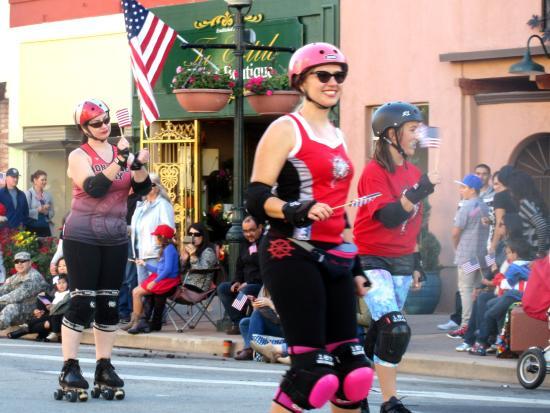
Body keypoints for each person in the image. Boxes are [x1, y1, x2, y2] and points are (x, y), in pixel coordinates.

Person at [246, 42, 374, 413]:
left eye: (339, 76)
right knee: (313, 376)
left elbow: (341, 213)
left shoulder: (338, 135)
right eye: (323, 75)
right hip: (291, 251)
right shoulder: (286, 128)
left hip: (335, 256)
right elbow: (256, 198)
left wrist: (357, 266)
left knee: (354, 375)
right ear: (301, 81)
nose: (332, 82)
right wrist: (296, 209)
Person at [57, 98, 151, 400]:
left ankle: (104, 366)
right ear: (84, 128)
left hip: (115, 236)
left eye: (106, 120)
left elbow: (142, 190)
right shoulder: (78, 155)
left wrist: (138, 166)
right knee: (83, 302)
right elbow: (94, 187)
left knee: (109, 304)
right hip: (82, 235)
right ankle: (69, 366)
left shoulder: (118, 150)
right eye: (96, 122)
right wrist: (119, 162)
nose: (103, 126)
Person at [353, 101, 439, 413]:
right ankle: (390, 403)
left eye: (420, 129)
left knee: (381, 330)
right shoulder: (373, 173)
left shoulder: (413, 172)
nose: (419, 135)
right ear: (391, 134)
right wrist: (419, 190)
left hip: (402, 259)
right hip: (372, 257)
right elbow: (389, 217)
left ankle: (354, 392)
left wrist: (416, 261)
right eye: (413, 129)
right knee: (394, 327)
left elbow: (414, 222)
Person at [447, 174, 490, 339]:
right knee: (479, 289)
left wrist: (457, 247)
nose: (460, 190)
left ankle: (465, 325)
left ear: (472, 189)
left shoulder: (466, 206)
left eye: (463, 187)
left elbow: (456, 232)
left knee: (465, 289)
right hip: (482, 255)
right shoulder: (483, 206)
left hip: (467, 254)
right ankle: (477, 325)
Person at [127, 224, 179, 334]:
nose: (154, 238)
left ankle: (137, 322)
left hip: (167, 281)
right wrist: (144, 264)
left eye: (156, 236)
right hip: (164, 278)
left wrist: (155, 281)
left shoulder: (169, 249)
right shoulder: (167, 248)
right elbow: (160, 270)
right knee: (137, 293)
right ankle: (139, 322)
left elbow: (168, 270)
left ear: (162, 237)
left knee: (136, 293)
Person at [218, 215, 263, 335]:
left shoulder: (265, 244)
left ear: (260, 228)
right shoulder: (245, 244)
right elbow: (239, 266)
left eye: (252, 230)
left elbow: (265, 271)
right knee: (223, 288)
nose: (249, 234)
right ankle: (238, 321)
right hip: (244, 283)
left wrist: (247, 283)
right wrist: (236, 281)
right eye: (246, 231)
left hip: (259, 285)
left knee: (243, 292)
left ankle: (242, 320)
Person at [130, 173, 175, 285]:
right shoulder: (140, 206)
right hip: (140, 253)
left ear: (158, 186)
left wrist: (159, 247)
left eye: (152, 184)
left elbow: (168, 229)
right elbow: (137, 228)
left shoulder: (163, 205)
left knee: (153, 289)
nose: (149, 187)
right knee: (142, 289)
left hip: (155, 254)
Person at [0, 251, 50, 330]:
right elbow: (4, 289)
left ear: (30, 263)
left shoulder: (34, 277)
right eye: (17, 262)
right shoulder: (16, 276)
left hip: (36, 310)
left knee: (11, 307)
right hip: (23, 305)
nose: (19, 264)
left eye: (23, 261)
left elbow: (16, 296)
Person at [507, 170, 549, 258]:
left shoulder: (525, 204)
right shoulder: (536, 201)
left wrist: (541, 251)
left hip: (534, 250)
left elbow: (541, 225)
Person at [235, 287, 283, 361]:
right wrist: (255, 304)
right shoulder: (265, 287)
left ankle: (249, 350)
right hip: (271, 321)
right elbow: (260, 312)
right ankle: (252, 349)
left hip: (284, 329)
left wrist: (270, 304)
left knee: (257, 313)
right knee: (244, 323)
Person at [180, 223, 218, 293]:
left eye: (196, 234)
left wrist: (193, 256)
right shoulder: (189, 249)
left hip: (198, 287)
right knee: (160, 284)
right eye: (190, 234)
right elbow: (181, 271)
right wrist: (183, 261)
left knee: (162, 287)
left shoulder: (208, 251)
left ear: (203, 236)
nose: (192, 237)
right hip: (185, 284)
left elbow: (201, 271)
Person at [25, 169, 55, 237]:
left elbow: (52, 212)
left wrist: (46, 212)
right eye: (42, 180)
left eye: (45, 180)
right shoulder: (28, 194)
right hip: (31, 228)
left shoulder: (48, 195)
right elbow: (24, 212)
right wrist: (38, 210)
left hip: (45, 228)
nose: (44, 182)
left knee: (47, 247)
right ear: (35, 180)